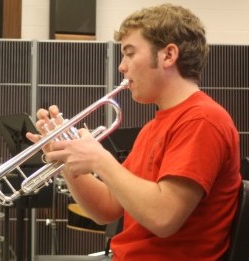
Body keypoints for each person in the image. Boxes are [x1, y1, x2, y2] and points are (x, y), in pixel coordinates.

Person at [27, 4, 241, 261]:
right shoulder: (154, 127)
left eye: (129, 54)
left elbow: (164, 218)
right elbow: (106, 208)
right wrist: (65, 159)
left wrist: (99, 159)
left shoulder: (203, 119)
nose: (121, 67)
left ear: (168, 55)